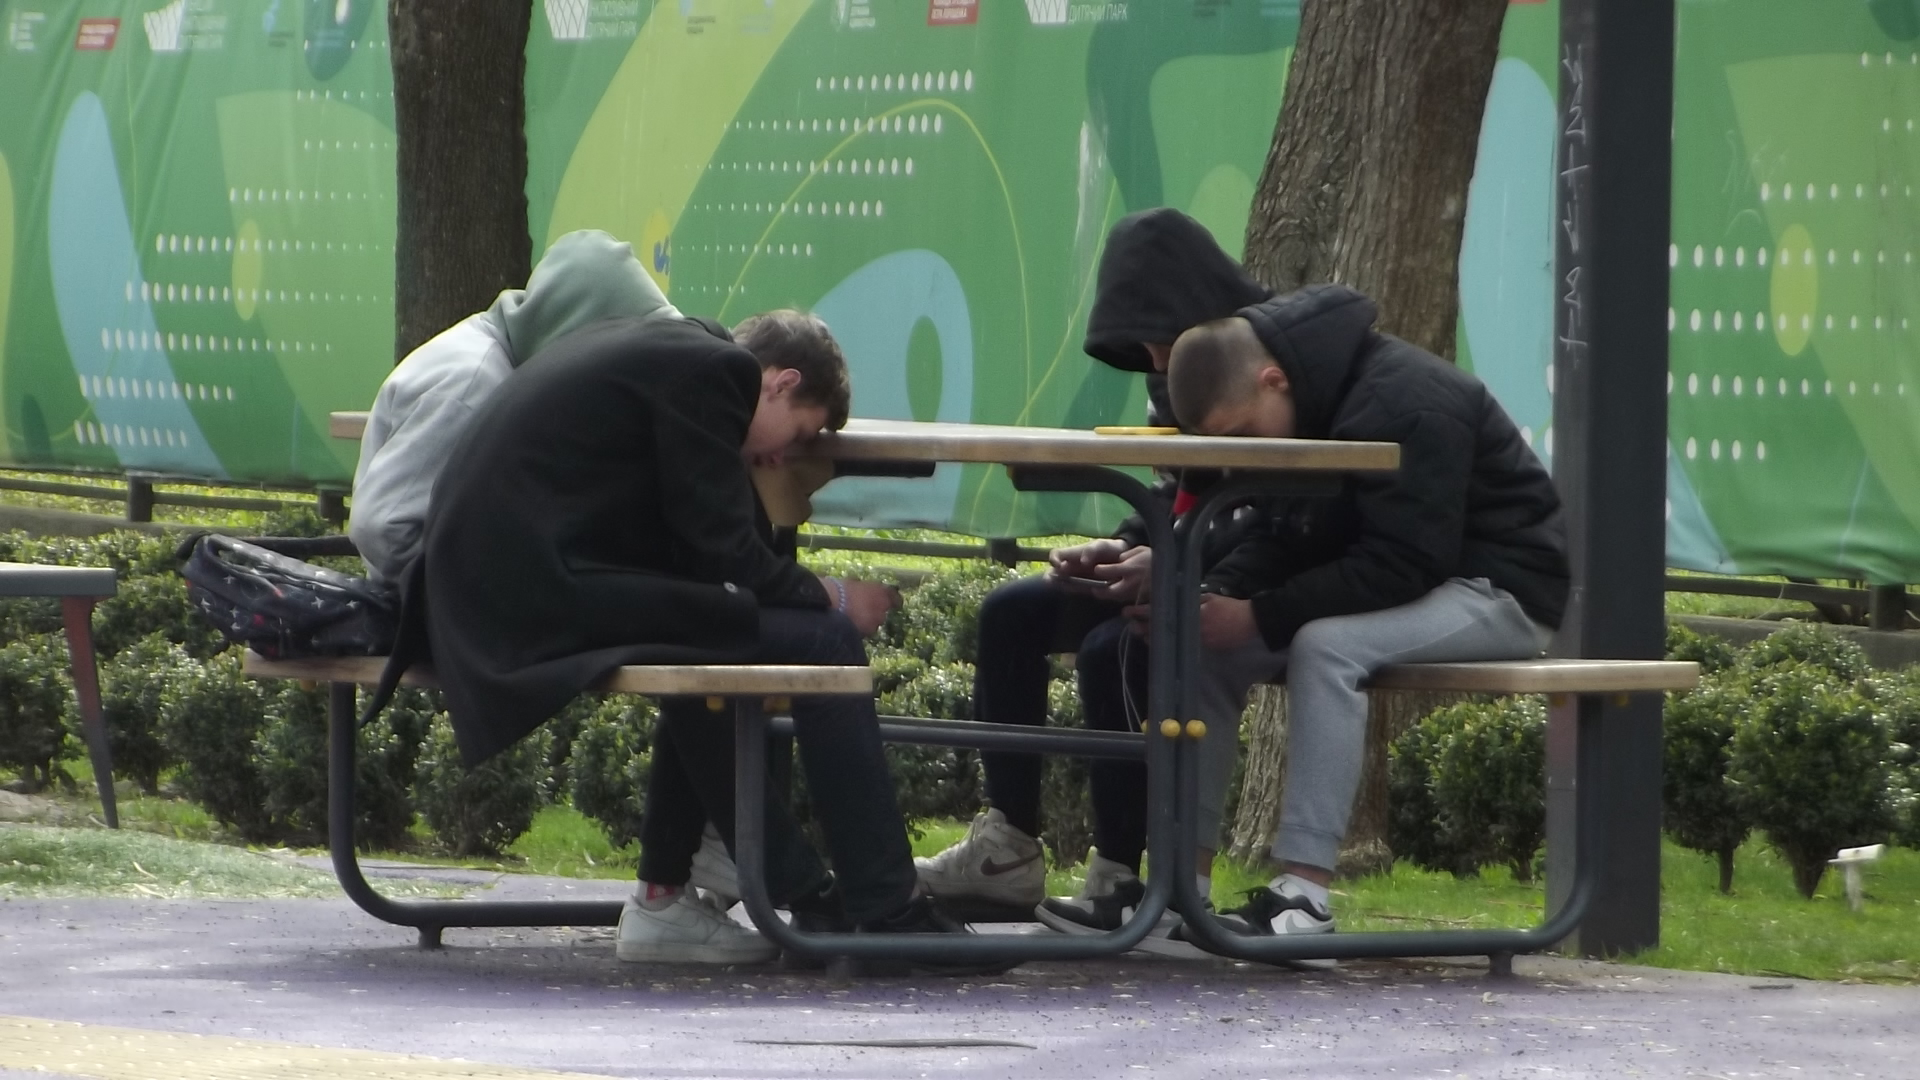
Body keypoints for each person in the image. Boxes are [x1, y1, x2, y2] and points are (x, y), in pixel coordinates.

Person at [406, 308, 970, 968]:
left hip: (499, 585)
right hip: (530, 595)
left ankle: (728, 891)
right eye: (798, 434)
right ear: (781, 383)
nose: (781, 457)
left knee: (712, 633)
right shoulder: (716, 373)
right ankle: (888, 908)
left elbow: (702, 553)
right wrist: (839, 597)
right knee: (824, 641)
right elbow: (725, 556)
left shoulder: (672, 346)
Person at [1040, 284, 1569, 949]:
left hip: (1499, 589)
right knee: (1203, 644)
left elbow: (1405, 562)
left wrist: (1261, 616)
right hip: (1407, 577)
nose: (1237, 454)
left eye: (1240, 436)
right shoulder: (1304, 403)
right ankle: (1181, 892)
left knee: (1326, 646)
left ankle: (1306, 898)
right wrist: (1211, 596)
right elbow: (1285, 534)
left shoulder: (1409, 402)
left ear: (1274, 380)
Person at [914, 209, 1270, 933]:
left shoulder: (1257, 366)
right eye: (1143, 348)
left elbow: (1272, 511)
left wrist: (1175, 567)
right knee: (1010, 613)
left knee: (1118, 647)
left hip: (1244, 577)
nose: (1155, 359)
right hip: (1181, 559)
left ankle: (1119, 870)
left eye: (1162, 341)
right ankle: (1008, 847)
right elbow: (1178, 495)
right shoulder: (1166, 374)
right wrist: (1121, 546)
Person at [351, 230, 681, 588]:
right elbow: (385, 528)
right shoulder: (474, 384)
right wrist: (491, 598)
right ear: (576, 332)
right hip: (424, 613)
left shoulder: (508, 368)